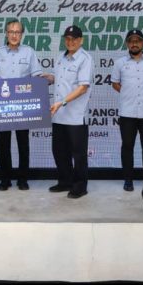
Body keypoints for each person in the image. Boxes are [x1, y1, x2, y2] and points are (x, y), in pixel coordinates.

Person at [0, 19, 43, 191]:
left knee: (23, 144)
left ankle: (22, 179)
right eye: (11, 32)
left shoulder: (29, 52)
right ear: (6, 33)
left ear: (22, 34)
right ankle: (5, 179)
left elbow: (37, 77)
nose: (14, 35)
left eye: (17, 32)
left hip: (23, 106)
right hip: (2, 106)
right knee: (3, 144)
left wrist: (45, 80)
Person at [111, 29, 143, 192]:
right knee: (127, 147)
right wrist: (128, 93)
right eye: (131, 41)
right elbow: (115, 83)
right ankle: (128, 180)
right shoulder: (120, 63)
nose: (134, 44)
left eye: (137, 41)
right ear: (127, 44)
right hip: (127, 113)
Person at [47, 26, 92, 199]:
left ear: (81, 40)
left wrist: (62, 102)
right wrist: (44, 78)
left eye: (74, 39)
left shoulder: (85, 59)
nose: (70, 42)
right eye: (67, 38)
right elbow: (57, 79)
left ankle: (80, 186)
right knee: (59, 151)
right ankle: (65, 181)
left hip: (75, 116)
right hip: (59, 115)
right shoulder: (61, 57)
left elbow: (83, 87)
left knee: (78, 154)